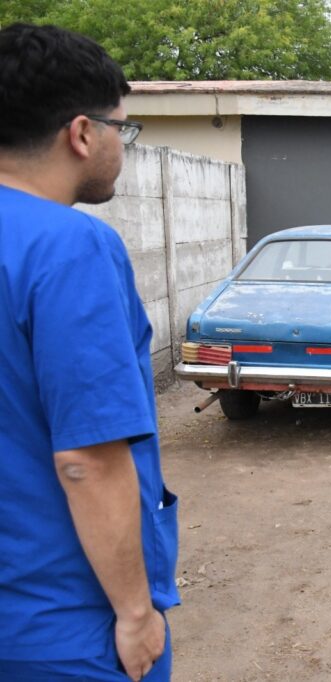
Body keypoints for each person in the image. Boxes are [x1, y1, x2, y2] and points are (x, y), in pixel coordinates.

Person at [0, 24, 178, 681]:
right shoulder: (68, 248)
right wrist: (135, 613)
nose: (121, 147)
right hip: (61, 627)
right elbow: (88, 457)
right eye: (121, 130)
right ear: (81, 133)